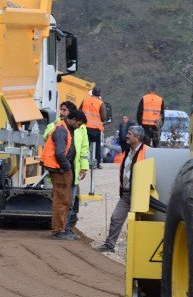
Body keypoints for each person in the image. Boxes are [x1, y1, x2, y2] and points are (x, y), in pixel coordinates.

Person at [98, 125, 148, 253]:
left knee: (139, 223)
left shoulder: (148, 152)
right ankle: (109, 245)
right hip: (126, 194)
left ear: (136, 137)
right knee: (116, 218)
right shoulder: (128, 151)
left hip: (140, 195)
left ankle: (139, 251)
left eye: (129, 134)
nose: (126, 136)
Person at [43, 101, 89, 239]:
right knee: (61, 201)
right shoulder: (61, 130)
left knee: (65, 200)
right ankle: (59, 231)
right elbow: (60, 154)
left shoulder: (67, 129)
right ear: (74, 120)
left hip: (63, 169)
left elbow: (82, 149)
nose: (79, 127)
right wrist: (68, 168)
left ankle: (62, 229)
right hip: (60, 170)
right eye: (79, 124)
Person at [80, 87, 108, 169]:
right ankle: (98, 163)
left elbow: (79, 111)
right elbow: (103, 117)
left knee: (85, 146)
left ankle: (83, 163)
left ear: (92, 93)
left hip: (85, 127)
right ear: (100, 94)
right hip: (95, 129)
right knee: (97, 147)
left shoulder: (85, 100)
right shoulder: (101, 103)